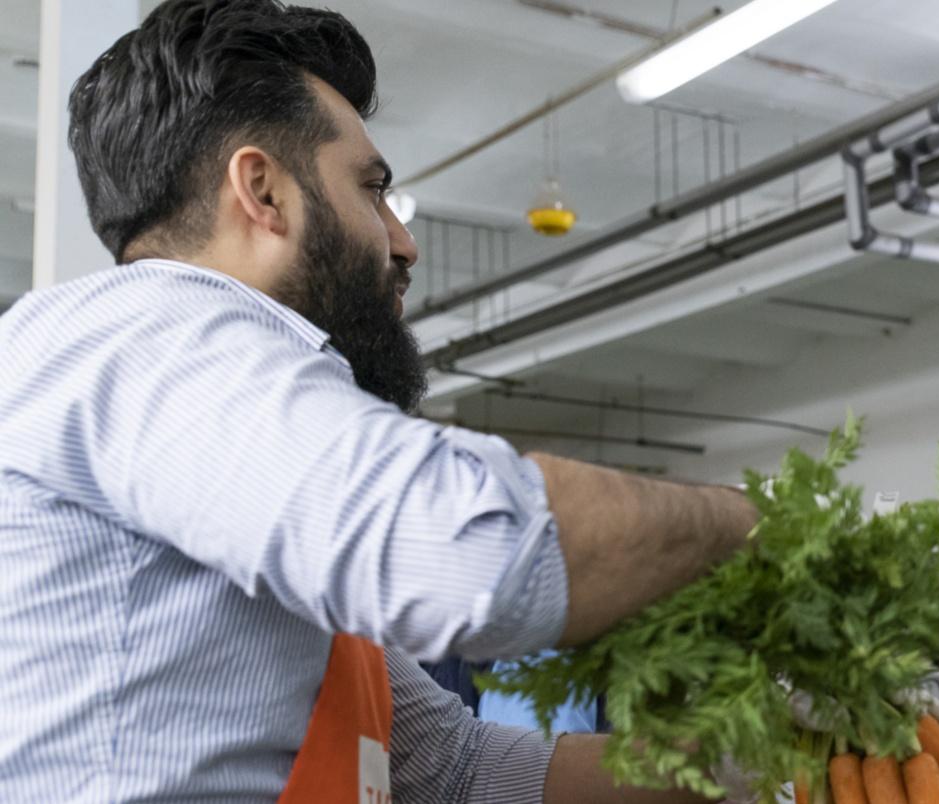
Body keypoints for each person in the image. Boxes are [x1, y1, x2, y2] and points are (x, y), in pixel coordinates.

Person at [0, 1, 760, 800]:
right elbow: (473, 553)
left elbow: (454, 773)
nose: (404, 241)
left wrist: (754, 761)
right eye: (372, 191)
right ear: (262, 190)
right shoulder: (151, 334)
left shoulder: (233, 449)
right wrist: (760, 526)